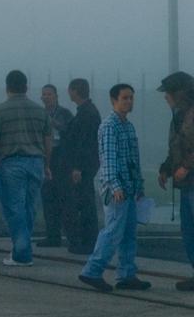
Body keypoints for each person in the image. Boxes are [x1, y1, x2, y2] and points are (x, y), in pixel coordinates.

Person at [78, 83, 150, 292]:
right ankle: (92, 270)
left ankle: (127, 273)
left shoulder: (127, 125)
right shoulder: (109, 126)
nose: (129, 102)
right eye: (125, 98)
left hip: (129, 188)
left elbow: (133, 159)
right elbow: (108, 159)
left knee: (128, 233)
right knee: (112, 231)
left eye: (131, 98)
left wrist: (139, 185)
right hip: (116, 189)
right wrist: (115, 185)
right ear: (113, 100)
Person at [0, 70, 52, 266]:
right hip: (36, 162)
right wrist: (46, 164)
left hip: (11, 163)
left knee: (14, 209)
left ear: (7, 88)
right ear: (26, 87)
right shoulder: (40, 111)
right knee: (29, 208)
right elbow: (48, 140)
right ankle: (22, 246)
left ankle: (21, 253)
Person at [156, 70, 194, 291]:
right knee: (188, 231)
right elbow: (177, 147)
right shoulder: (179, 115)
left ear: (180, 92)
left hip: (191, 180)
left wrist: (187, 167)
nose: (165, 97)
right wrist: (166, 168)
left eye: (168, 92)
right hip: (186, 184)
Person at [62, 78, 102, 254]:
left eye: (70, 90)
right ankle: (87, 240)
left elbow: (85, 143)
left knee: (85, 203)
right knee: (83, 201)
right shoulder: (86, 111)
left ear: (75, 91)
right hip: (87, 164)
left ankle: (88, 241)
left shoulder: (87, 114)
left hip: (84, 165)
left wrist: (78, 167)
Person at [36, 84, 74, 247]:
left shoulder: (65, 113)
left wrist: (54, 124)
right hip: (45, 156)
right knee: (47, 197)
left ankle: (71, 235)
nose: (46, 97)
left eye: (49, 94)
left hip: (61, 157)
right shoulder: (38, 114)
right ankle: (52, 235)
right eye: (43, 94)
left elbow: (71, 133)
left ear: (56, 96)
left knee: (64, 197)